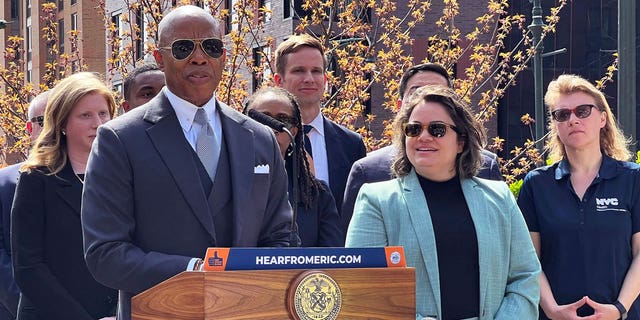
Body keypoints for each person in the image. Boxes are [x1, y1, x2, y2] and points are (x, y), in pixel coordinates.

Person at [81, 6, 293, 320]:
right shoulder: (120, 139)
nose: (199, 57)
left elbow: (281, 239)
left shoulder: (259, 138)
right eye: (183, 48)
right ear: (159, 57)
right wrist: (195, 271)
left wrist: (246, 283)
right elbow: (105, 253)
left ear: (223, 54)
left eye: (211, 46)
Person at [345, 85, 540, 319]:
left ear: (461, 141)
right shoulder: (376, 201)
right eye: (413, 129)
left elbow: (525, 277)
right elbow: (365, 288)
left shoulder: (500, 197)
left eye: (437, 129)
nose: (423, 136)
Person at [517, 74, 640, 320]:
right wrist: (552, 310)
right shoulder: (537, 184)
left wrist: (618, 309)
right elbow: (529, 261)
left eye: (583, 111)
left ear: (602, 118)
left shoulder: (633, 179)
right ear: (555, 126)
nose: (572, 120)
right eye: (562, 114)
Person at [341, 62, 502, 235]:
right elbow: (355, 255)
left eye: (438, 129)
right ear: (399, 106)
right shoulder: (368, 173)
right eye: (417, 92)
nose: (426, 99)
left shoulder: (487, 169)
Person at [11, 72, 117, 319]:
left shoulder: (125, 177)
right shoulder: (36, 179)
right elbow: (28, 267)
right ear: (62, 123)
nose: (98, 123)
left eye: (103, 113)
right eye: (85, 115)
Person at [274, 34, 366, 216]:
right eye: (299, 70)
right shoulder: (260, 139)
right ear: (279, 81)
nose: (309, 78)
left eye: (316, 71)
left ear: (325, 80)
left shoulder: (351, 145)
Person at [245, 87, 343, 246]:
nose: (273, 128)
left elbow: (330, 260)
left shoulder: (316, 194)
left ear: (295, 132)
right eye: (263, 119)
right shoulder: (226, 183)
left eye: (282, 120)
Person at [0, 91, 48, 320]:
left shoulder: (100, 182)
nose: (55, 128)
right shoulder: (3, 184)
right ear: (30, 129)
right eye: (45, 120)